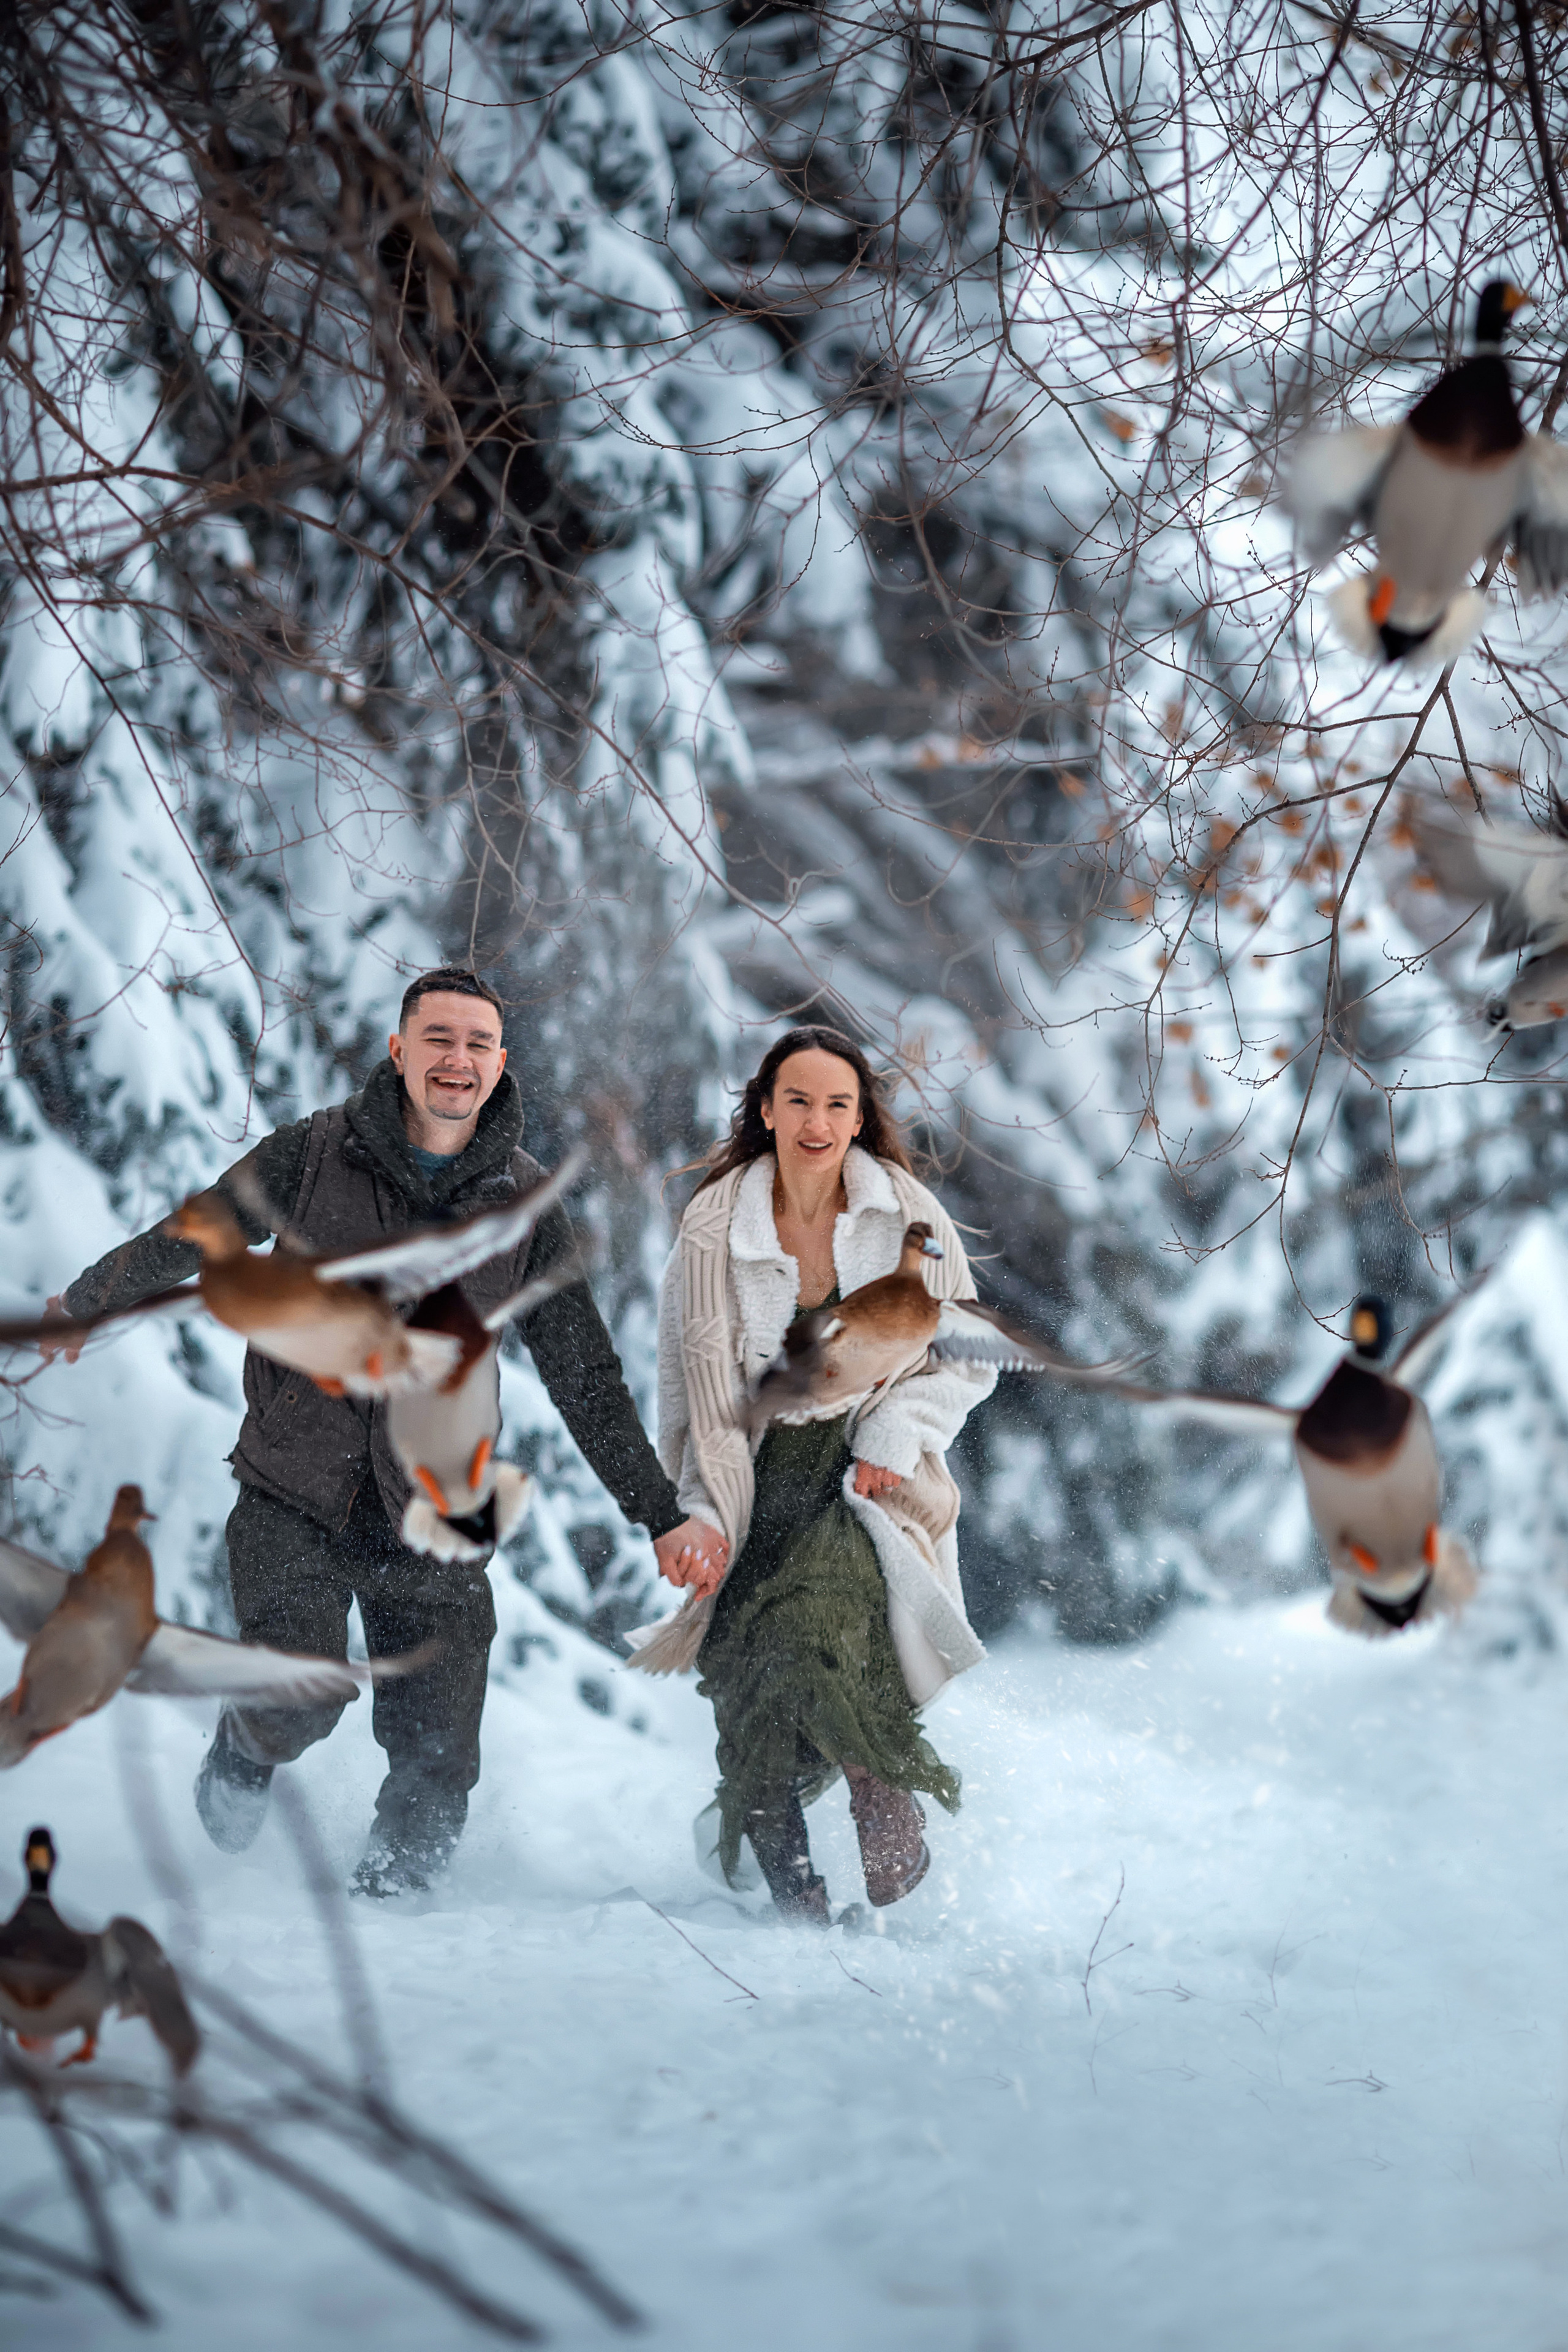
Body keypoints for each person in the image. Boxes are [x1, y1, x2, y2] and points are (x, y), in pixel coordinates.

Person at [50, 968, 728, 1895]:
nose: (458, 1060)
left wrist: (659, 1513)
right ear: (400, 1052)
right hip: (298, 1493)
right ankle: (245, 1755)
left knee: (439, 1762)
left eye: (478, 1044)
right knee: (300, 1694)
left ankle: (394, 1913)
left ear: (500, 1064)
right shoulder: (315, 1154)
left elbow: (585, 1376)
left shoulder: (525, 1207)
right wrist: (89, 1300)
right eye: (439, 1040)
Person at [650, 1025, 996, 1923]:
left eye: (838, 1103)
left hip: (863, 1477)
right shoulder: (714, 1225)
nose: (818, 1120)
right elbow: (693, 1388)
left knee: (817, 1621)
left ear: (859, 1117)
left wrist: (894, 1430)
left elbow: (965, 1357)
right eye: (798, 1100)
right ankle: (795, 1900)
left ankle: (886, 1810)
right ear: (765, 1110)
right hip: (752, 1478)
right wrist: (697, 1509)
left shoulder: (909, 1212)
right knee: (748, 1676)